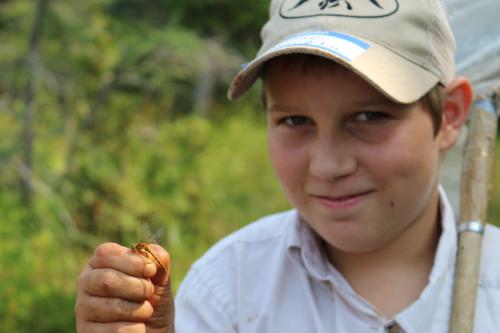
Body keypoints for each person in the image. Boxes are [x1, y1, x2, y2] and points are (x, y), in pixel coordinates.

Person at [75, 0, 500, 332]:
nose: (329, 165)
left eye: (369, 117)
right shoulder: (228, 291)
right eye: (295, 121)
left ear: (449, 116)